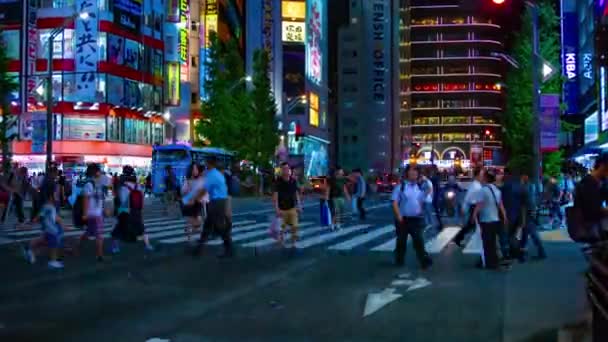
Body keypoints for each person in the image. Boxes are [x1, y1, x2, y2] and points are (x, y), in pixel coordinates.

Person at [190, 156, 233, 258]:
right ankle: (198, 249)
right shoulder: (217, 174)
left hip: (216, 202)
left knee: (218, 226)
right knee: (208, 226)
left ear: (210, 163)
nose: (205, 164)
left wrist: (195, 198)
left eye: (206, 162)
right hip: (219, 201)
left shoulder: (212, 175)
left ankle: (229, 249)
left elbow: (204, 189)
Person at [391, 165, 432, 269]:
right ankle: (399, 259)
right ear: (407, 173)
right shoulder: (401, 187)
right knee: (401, 241)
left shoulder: (421, 186)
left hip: (416, 219)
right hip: (403, 219)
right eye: (411, 172)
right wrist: (398, 215)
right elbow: (394, 202)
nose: (414, 174)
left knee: (418, 240)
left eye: (416, 172)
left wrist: (425, 181)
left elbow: (427, 195)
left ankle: (423, 261)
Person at [110, 165, 154, 253]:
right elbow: (141, 198)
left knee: (118, 228)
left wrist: (118, 211)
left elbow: (121, 200)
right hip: (136, 210)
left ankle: (115, 247)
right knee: (141, 228)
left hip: (124, 210)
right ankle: (148, 245)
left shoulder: (123, 187)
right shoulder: (138, 186)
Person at [472, 170, 509, 270]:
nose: (482, 178)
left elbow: (480, 205)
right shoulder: (497, 190)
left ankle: (490, 262)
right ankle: (493, 261)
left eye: (483, 177)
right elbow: (501, 205)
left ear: (486, 179)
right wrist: (505, 217)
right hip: (495, 219)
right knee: (492, 241)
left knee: (487, 242)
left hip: (486, 220)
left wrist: (474, 215)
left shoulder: (483, 190)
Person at [22, 189, 68, 268]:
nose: (57, 197)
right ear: (50, 197)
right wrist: (31, 224)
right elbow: (39, 216)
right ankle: (53, 261)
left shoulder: (51, 206)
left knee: (44, 241)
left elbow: (55, 217)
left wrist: (63, 225)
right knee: (53, 244)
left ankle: (28, 249)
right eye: (55, 195)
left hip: (50, 229)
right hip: (51, 229)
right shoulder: (47, 206)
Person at [77, 163, 108, 262]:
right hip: (93, 214)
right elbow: (85, 199)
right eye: (99, 171)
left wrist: (103, 210)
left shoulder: (98, 184)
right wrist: (85, 214)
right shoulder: (89, 184)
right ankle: (100, 255)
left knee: (88, 233)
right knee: (99, 235)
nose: (100, 173)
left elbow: (101, 199)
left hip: (97, 213)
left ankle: (76, 248)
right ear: (95, 172)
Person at [272, 162, 302, 248]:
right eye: (284, 169)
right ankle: (281, 243)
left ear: (289, 170)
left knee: (295, 226)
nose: (286, 170)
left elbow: (296, 193)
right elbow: (275, 196)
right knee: (281, 229)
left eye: (287, 169)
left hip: (292, 207)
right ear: (281, 170)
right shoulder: (278, 182)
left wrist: (299, 205)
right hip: (282, 209)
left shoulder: (293, 181)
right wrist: (276, 208)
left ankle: (293, 242)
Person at [518, 172, 546, 261]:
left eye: (522, 177)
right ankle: (522, 252)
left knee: (532, 233)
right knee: (526, 233)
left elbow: (523, 205)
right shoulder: (532, 187)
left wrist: (522, 219)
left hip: (528, 213)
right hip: (532, 212)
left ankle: (541, 252)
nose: (521, 179)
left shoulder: (524, 189)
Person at [453, 167, 485, 247]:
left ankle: (459, 237)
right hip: (474, 207)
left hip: (474, 207)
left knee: (471, 225)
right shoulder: (475, 186)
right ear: (477, 176)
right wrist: (465, 208)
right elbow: (468, 198)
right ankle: (459, 237)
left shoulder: (477, 185)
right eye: (481, 175)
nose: (483, 177)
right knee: (473, 225)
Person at [181, 163, 205, 243]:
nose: (195, 171)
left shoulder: (201, 179)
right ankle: (189, 237)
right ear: (190, 170)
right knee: (190, 222)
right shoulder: (187, 180)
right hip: (189, 203)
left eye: (196, 169)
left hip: (198, 203)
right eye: (193, 169)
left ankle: (198, 235)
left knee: (199, 221)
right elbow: (183, 191)